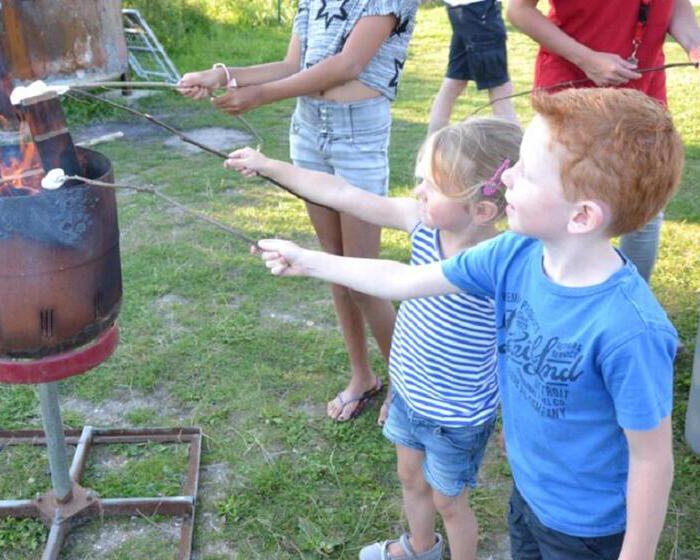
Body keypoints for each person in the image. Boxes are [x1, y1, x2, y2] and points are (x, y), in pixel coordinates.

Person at [254, 88, 682, 559]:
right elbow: (405, 279)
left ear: (581, 216)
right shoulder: (513, 255)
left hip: (588, 526)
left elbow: (651, 458)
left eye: (525, 171)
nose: (506, 179)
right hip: (528, 497)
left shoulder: (631, 330)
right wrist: (310, 262)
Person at [225, 117, 522, 560]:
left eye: (433, 186)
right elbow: (344, 194)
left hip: (455, 414)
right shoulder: (423, 223)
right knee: (409, 477)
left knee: (449, 501)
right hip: (409, 392)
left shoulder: (489, 263)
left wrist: (309, 261)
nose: (419, 191)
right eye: (421, 179)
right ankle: (420, 548)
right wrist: (271, 166)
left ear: (481, 210)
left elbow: (397, 280)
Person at [178, 0, 421, 421]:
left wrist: (260, 96)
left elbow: (349, 64)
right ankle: (362, 377)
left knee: (362, 276)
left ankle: (406, 382)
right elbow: (293, 63)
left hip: (357, 133)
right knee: (331, 266)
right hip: (308, 130)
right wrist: (221, 75)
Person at [506, 0, 700, 283]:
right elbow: (518, 10)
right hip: (570, 90)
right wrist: (586, 59)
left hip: (641, 95)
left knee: (644, 208)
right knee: (553, 207)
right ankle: (540, 294)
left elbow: (677, 6)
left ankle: (629, 297)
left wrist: (695, 44)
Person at [428, 0, 519, 135]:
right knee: (500, 89)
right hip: (479, 11)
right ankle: (518, 150)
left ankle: (431, 148)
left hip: (468, 10)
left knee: (455, 82)